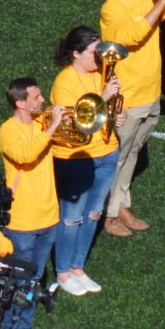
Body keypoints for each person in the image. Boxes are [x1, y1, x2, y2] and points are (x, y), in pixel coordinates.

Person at [98, 0, 165, 237]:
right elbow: (130, 37)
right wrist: (162, 0)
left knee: (132, 154)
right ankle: (107, 215)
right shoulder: (112, 9)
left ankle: (122, 205)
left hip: (150, 91)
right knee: (116, 158)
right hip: (128, 97)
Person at [0, 78, 66, 329]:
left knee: (33, 281)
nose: (42, 101)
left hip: (49, 215)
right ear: (20, 103)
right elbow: (25, 155)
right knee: (17, 281)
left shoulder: (41, 122)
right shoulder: (8, 131)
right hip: (22, 222)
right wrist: (51, 126)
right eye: (36, 97)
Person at [49, 26, 120, 297]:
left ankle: (78, 267)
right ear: (76, 53)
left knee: (93, 214)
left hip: (107, 152)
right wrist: (103, 99)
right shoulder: (64, 82)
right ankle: (63, 271)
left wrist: (117, 114)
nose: (100, 57)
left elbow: (108, 113)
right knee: (71, 218)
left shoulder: (103, 73)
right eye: (94, 52)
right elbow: (77, 122)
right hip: (76, 157)